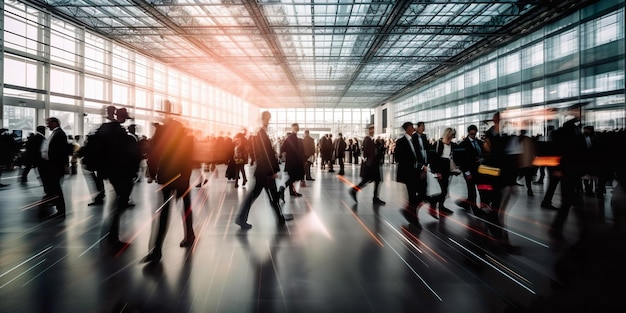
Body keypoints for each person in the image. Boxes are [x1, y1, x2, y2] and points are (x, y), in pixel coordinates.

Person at [141, 101, 196, 263]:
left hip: (167, 176)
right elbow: (189, 158)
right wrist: (186, 175)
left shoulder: (161, 132)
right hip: (182, 177)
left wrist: (152, 173)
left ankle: (157, 249)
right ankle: (190, 235)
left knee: (164, 212)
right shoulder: (185, 135)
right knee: (186, 206)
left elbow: (154, 154)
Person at [90, 106, 141, 251]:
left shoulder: (105, 128)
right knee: (120, 204)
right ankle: (112, 238)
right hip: (120, 172)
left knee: (118, 203)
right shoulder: (118, 132)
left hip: (110, 172)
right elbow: (123, 154)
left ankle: (111, 237)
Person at [234, 111, 293, 230]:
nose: (269, 121)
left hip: (263, 171)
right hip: (265, 171)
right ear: (264, 119)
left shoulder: (260, 133)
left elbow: (263, 153)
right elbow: (265, 154)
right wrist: (273, 170)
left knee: (263, 194)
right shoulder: (261, 133)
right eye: (268, 118)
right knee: (269, 195)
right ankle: (280, 219)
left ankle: (242, 218)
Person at [395, 122, 427, 229]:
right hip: (408, 173)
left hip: (417, 172)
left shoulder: (414, 140)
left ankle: (409, 211)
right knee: (412, 195)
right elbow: (399, 158)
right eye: (412, 127)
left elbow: (418, 156)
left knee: (422, 193)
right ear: (407, 129)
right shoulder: (401, 142)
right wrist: (413, 165)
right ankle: (414, 219)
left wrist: (422, 167)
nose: (414, 128)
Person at [38, 117, 69, 219]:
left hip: (55, 166)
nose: (47, 125)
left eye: (49, 123)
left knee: (56, 188)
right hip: (52, 165)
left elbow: (63, 151)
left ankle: (61, 210)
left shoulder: (59, 134)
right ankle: (58, 208)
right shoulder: (56, 133)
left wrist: (64, 165)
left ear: (55, 123)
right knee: (54, 187)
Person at [349, 124, 385, 205]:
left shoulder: (371, 140)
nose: (373, 131)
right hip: (371, 165)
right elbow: (368, 152)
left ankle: (375, 197)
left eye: (373, 129)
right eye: (371, 129)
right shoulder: (367, 139)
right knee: (368, 181)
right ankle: (354, 190)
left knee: (376, 181)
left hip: (373, 164)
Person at [428, 127, 457, 218]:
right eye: (451, 136)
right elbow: (433, 159)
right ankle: (432, 203)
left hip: (447, 168)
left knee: (444, 189)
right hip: (439, 168)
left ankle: (441, 206)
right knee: (441, 190)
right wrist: (436, 172)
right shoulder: (438, 144)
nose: (452, 138)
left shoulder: (452, 145)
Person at [456, 124, 484, 212]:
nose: (473, 135)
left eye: (474, 134)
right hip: (469, 171)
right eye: (471, 134)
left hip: (480, 170)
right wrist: (466, 172)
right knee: (471, 190)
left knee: (481, 189)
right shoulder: (463, 144)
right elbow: (461, 160)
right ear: (468, 133)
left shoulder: (480, 143)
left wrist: (481, 159)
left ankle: (478, 205)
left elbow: (484, 155)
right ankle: (474, 207)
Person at [279, 123, 305, 199]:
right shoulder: (292, 138)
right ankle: (282, 188)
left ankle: (291, 192)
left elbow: (283, 148)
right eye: (295, 127)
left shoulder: (293, 138)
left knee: (292, 177)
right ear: (293, 128)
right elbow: (283, 148)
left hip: (292, 161)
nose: (297, 128)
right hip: (293, 162)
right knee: (294, 177)